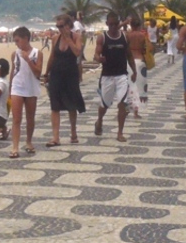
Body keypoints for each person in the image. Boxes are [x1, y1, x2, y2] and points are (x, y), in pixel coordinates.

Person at [42, 13, 86, 146]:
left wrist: (68, 38)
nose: (59, 28)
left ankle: (73, 132)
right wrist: (46, 73)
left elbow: (77, 53)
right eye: (57, 26)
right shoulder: (55, 38)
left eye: (61, 26)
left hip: (70, 74)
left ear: (68, 25)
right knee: (54, 105)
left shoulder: (77, 37)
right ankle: (56, 137)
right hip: (56, 73)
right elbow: (52, 56)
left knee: (72, 104)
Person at [95, 11, 137, 141]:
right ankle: (99, 120)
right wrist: (98, 59)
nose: (113, 27)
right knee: (105, 105)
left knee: (123, 104)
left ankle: (120, 132)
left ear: (119, 24)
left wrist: (134, 71)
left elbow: (129, 55)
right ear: (107, 24)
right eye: (110, 24)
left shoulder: (124, 37)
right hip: (107, 76)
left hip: (121, 76)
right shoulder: (102, 37)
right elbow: (96, 54)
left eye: (115, 24)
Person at [9, 25, 42, 158]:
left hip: (31, 87)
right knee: (16, 118)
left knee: (30, 117)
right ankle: (15, 146)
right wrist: (10, 86)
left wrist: (28, 60)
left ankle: (28, 141)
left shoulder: (37, 53)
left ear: (26, 38)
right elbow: (14, 70)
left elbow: (38, 72)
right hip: (17, 87)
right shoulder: (15, 53)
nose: (16, 43)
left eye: (18, 40)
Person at [125, 14, 150, 117]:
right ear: (139, 25)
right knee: (139, 87)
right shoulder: (142, 36)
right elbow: (146, 48)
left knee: (129, 86)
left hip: (130, 62)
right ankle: (136, 112)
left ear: (130, 25)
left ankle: (127, 109)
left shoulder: (127, 35)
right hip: (140, 60)